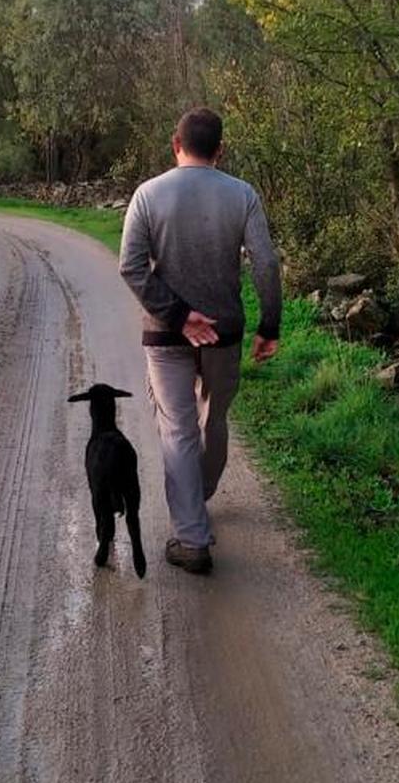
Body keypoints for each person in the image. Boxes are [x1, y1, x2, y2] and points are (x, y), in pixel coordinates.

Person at [118, 106, 281, 574]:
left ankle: (191, 538)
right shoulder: (242, 194)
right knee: (214, 421)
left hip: (165, 334)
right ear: (221, 150)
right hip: (225, 333)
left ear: (175, 144)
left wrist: (177, 315)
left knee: (178, 429)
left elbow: (130, 265)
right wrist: (269, 326)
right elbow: (266, 264)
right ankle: (199, 495)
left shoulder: (148, 194)